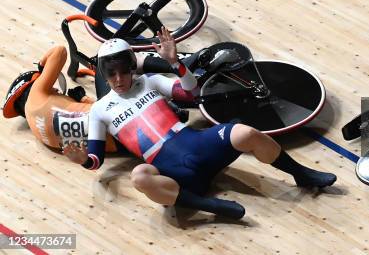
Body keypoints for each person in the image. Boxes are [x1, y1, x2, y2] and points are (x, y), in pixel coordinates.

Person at [64, 27, 336, 219]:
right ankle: (210, 206)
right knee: (139, 176)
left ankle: (302, 174)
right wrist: (83, 160)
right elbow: (96, 160)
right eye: (112, 75)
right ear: (105, 74)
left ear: (132, 68)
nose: (120, 80)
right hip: (174, 174)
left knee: (246, 133)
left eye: (124, 72)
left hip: (197, 144)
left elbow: (191, 94)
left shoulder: (150, 82)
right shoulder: (99, 110)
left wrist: (175, 63)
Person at [2, 45, 118, 152]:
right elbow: (60, 51)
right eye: (51, 84)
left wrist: (84, 99)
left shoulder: (38, 133)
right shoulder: (35, 93)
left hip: (116, 145)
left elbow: (86, 123)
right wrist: (42, 66)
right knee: (106, 57)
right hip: (119, 120)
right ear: (34, 84)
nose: (56, 89)